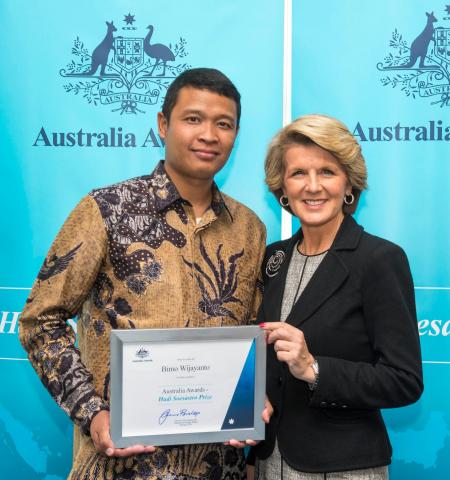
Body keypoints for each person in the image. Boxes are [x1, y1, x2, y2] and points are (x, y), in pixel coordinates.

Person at [20, 68, 269, 480]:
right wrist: (92, 411)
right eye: (193, 119)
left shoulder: (249, 228)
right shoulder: (105, 209)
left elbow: (252, 336)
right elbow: (38, 321)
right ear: (162, 124)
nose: (209, 135)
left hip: (219, 469)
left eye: (223, 124)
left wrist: (255, 398)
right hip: (119, 467)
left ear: (236, 135)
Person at [251, 114, 423, 479]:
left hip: (344, 467)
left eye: (327, 171)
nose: (313, 187)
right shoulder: (273, 258)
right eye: (298, 173)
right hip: (270, 462)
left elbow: (404, 380)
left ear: (349, 183)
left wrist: (313, 368)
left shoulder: (379, 259)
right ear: (282, 186)